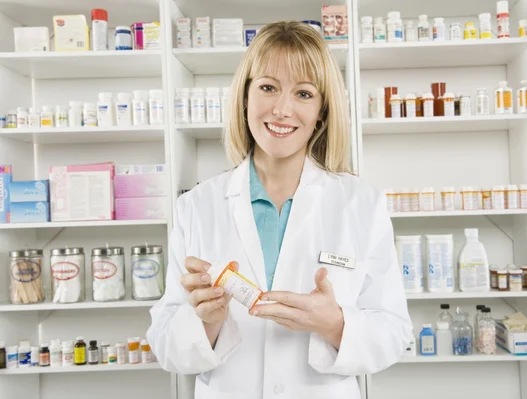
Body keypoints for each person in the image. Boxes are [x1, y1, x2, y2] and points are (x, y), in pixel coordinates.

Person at [147, 20, 412, 399]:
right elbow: (165, 343)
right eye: (268, 87)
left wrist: (335, 324)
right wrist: (205, 322)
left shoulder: (361, 204)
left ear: (321, 112)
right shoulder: (197, 206)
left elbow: (394, 332)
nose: (283, 109)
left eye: (304, 94)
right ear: (245, 97)